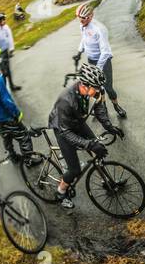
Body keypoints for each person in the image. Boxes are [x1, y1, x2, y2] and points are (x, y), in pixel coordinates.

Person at [48, 63, 123, 209]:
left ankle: (107, 181)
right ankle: (61, 192)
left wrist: (110, 127)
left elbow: (99, 108)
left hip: (77, 120)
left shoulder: (94, 87)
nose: (97, 91)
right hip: (63, 128)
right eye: (94, 88)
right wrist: (88, 144)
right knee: (74, 169)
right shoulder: (66, 100)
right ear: (84, 85)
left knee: (97, 147)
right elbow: (66, 132)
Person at [0, 45, 34, 162]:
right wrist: (17, 113)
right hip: (7, 116)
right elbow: (6, 100)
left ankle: (13, 156)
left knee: (6, 137)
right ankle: (29, 159)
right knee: (24, 136)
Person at [73, 3, 128, 119]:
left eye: (83, 18)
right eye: (79, 18)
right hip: (91, 60)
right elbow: (84, 39)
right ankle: (103, 110)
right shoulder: (82, 25)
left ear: (90, 17)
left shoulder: (99, 29)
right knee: (95, 87)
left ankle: (116, 105)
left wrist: (98, 68)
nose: (80, 21)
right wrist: (79, 52)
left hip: (103, 61)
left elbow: (106, 52)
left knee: (108, 87)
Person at [0, 13, 21, 91]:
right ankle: (3, 90)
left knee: (8, 70)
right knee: (3, 72)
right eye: (3, 19)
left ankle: (12, 86)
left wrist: (11, 48)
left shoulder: (6, 27)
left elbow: (9, 38)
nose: (4, 21)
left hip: (5, 52)